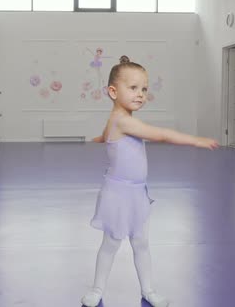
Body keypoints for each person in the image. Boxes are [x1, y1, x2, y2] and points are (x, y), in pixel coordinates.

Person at [82, 55, 219, 307]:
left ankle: (148, 290)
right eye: (133, 88)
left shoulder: (122, 120)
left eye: (144, 89)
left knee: (141, 244)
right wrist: (195, 140)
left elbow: (106, 135)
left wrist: (100, 139)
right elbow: (161, 135)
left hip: (137, 193)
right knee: (111, 243)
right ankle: (97, 289)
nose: (141, 94)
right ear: (113, 91)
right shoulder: (122, 121)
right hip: (118, 193)